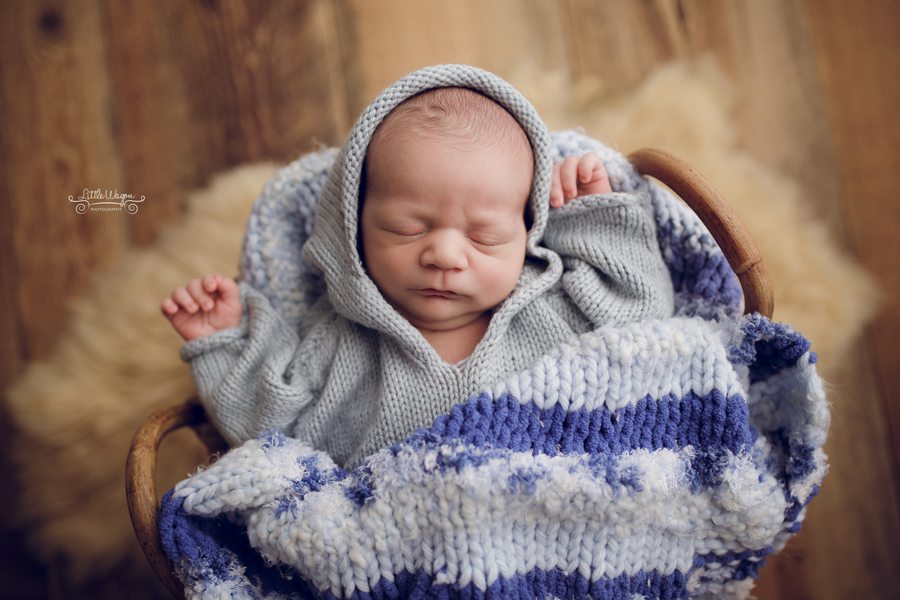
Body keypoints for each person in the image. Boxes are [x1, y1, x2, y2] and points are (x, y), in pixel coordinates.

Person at [161, 65, 674, 468]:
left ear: (529, 229)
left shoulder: (551, 308)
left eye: (484, 236)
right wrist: (229, 340)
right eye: (407, 228)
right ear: (353, 227)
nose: (445, 256)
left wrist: (590, 217)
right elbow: (272, 428)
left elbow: (643, 316)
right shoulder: (338, 343)